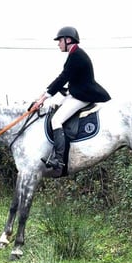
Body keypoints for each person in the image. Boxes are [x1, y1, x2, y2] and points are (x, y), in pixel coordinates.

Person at [38, 26, 111, 174]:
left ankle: (59, 159)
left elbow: (62, 78)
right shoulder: (74, 54)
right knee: (54, 108)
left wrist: (43, 97)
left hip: (84, 96)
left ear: (68, 39)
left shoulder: (76, 55)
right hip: (77, 92)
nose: (58, 44)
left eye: (60, 41)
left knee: (56, 120)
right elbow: (69, 80)